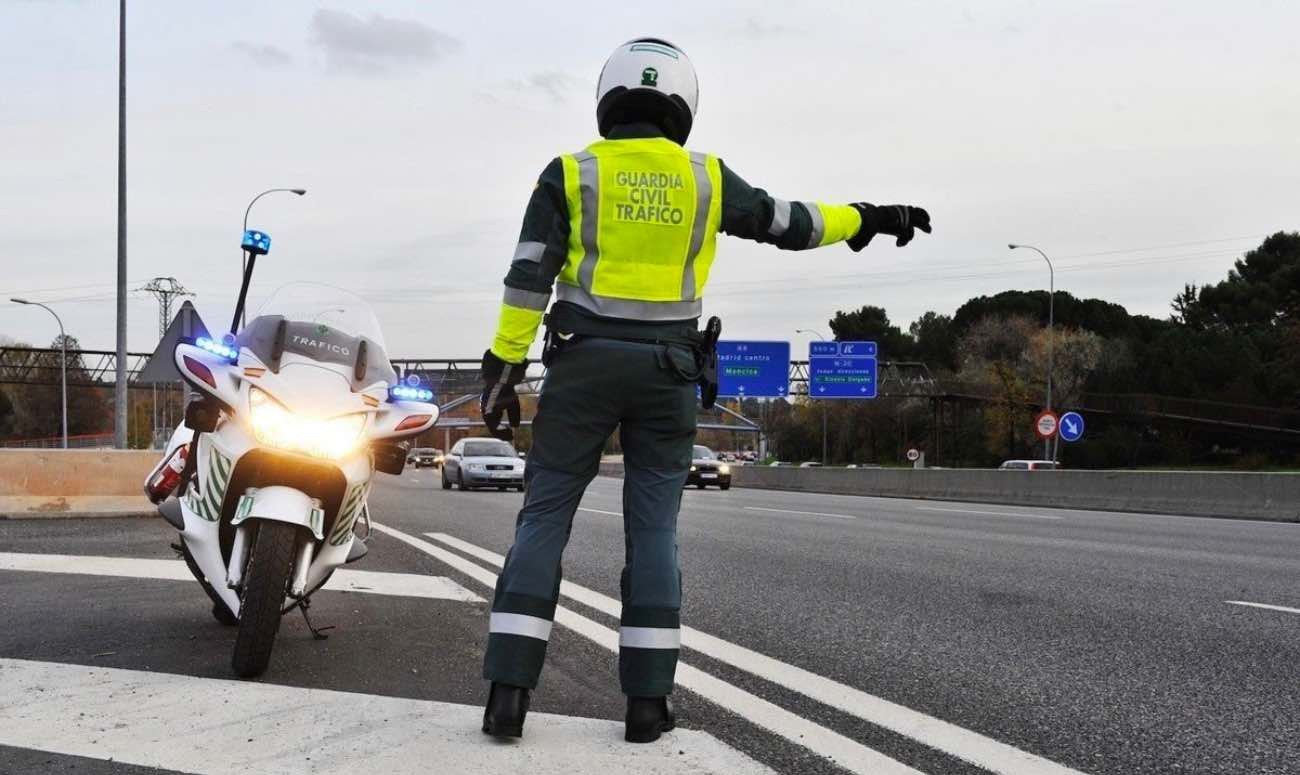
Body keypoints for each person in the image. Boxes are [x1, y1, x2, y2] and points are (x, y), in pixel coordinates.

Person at [478, 37, 931, 743]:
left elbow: (529, 275)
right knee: (654, 531)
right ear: (682, 104)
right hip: (668, 374)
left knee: (543, 518)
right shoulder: (706, 178)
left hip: (582, 367)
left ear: (608, 99)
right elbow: (790, 222)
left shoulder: (570, 173)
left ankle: (508, 695)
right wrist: (869, 217)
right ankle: (647, 705)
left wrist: (503, 369)